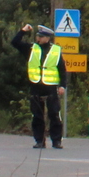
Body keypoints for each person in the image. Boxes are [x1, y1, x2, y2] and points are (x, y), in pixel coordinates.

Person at [15, 22, 66, 150]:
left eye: (41, 37)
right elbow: (15, 42)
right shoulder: (31, 48)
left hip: (51, 87)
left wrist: (62, 86)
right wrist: (23, 31)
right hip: (36, 86)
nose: (38, 39)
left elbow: (62, 69)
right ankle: (39, 141)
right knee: (37, 115)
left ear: (47, 38)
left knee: (54, 114)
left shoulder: (56, 50)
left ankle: (56, 141)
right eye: (38, 36)